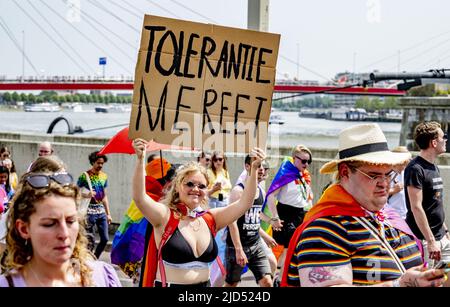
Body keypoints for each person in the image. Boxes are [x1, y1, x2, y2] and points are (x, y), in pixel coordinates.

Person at [282, 123, 447, 287]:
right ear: (345, 172)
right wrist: (398, 285)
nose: (384, 183)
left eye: (389, 174)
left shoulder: (391, 218)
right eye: (373, 175)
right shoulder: (323, 230)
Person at [132, 138, 265, 287]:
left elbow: (244, 204)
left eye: (201, 186)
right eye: (189, 184)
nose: (196, 189)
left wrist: (254, 169)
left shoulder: (210, 219)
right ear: (177, 187)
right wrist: (140, 159)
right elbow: (140, 198)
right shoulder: (164, 216)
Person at [0, 157, 121, 287]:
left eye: (70, 221)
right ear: (24, 229)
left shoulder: (101, 276)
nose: (64, 234)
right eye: (49, 224)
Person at [263, 145, 314, 282]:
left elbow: (307, 198)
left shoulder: (304, 176)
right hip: (285, 214)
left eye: (308, 161)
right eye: (303, 161)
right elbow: (271, 196)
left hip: (300, 215)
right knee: (284, 249)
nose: (306, 164)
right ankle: (275, 279)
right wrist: (275, 217)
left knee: (292, 250)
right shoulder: (286, 174)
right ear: (294, 159)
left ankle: (280, 279)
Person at [404, 121, 450, 267]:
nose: (446, 140)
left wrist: (445, 230)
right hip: (426, 241)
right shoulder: (415, 168)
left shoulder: (434, 166)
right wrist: (430, 241)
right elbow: (416, 207)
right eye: (444, 137)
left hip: (441, 237)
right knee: (427, 281)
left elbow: (436, 202)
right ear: (434, 142)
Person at [224, 155, 273, 287]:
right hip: (238, 246)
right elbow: (231, 221)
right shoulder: (238, 191)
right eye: (257, 165)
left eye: (263, 166)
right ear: (247, 167)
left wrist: (266, 235)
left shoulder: (261, 191)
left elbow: (254, 218)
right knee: (231, 284)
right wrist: (238, 249)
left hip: (256, 244)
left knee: (267, 282)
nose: (261, 169)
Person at [77, 151, 111, 259]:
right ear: (92, 162)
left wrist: (108, 213)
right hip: (89, 212)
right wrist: (86, 195)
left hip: (101, 211)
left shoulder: (104, 176)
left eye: (102, 163)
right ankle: (87, 260)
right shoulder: (84, 176)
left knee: (105, 239)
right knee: (89, 239)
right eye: (98, 163)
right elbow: (75, 192)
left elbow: (104, 196)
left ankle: (94, 258)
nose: (100, 165)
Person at [386, 146, 410, 220]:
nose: (406, 164)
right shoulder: (387, 173)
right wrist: (393, 190)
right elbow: (375, 194)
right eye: (405, 162)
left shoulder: (405, 172)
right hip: (391, 216)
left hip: (404, 215)